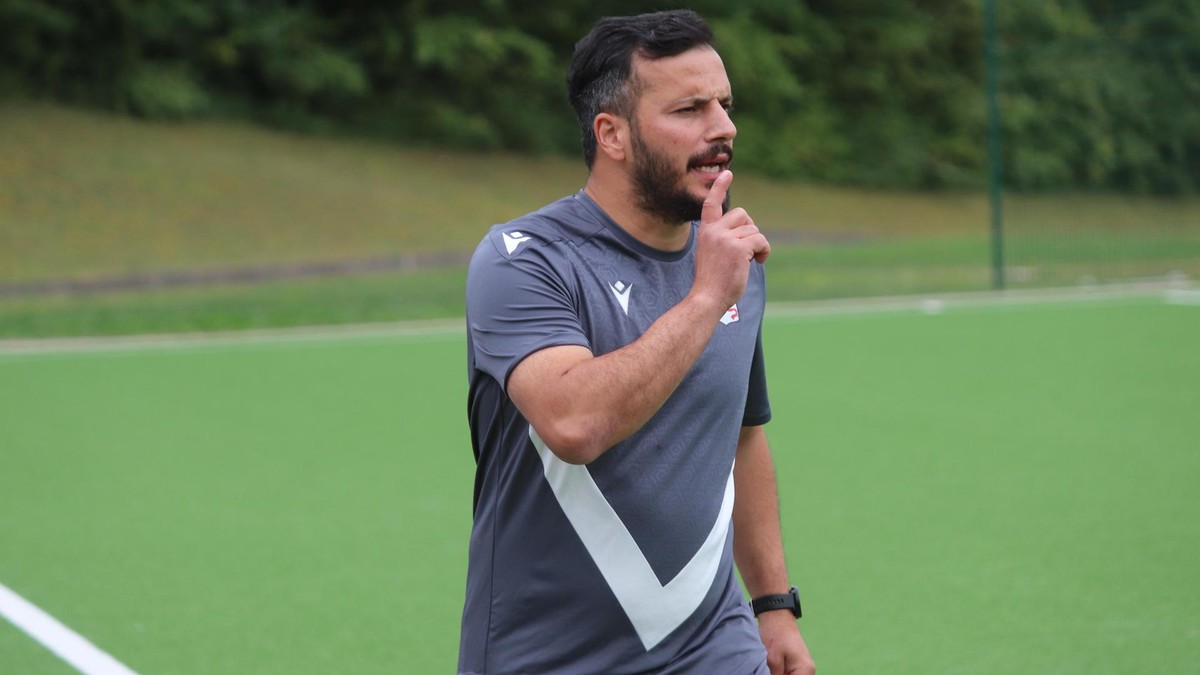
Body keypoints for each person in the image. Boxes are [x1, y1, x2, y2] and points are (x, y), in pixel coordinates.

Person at [459, 9, 815, 675]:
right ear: (612, 134)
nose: (724, 128)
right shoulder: (524, 260)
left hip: (716, 645)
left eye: (725, 105)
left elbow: (742, 433)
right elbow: (574, 421)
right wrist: (707, 297)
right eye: (690, 108)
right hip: (548, 655)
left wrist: (772, 605)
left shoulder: (730, 258)